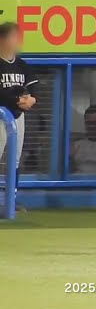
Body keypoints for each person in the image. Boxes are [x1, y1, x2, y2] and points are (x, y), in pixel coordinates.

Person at [0, 22, 38, 211]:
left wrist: (30, 100)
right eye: (12, 37)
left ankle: (11, 200)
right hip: (0, 115)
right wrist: (16, 99)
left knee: (14, 159)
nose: (16, 41)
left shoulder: (21, 64)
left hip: (17, 116)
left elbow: (32, 89)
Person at [70, 105, 96, 174]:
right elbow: (67, 171)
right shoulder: (76, 144)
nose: (91, 126)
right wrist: (70, 158)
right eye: (88, 123)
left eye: (95, 123)